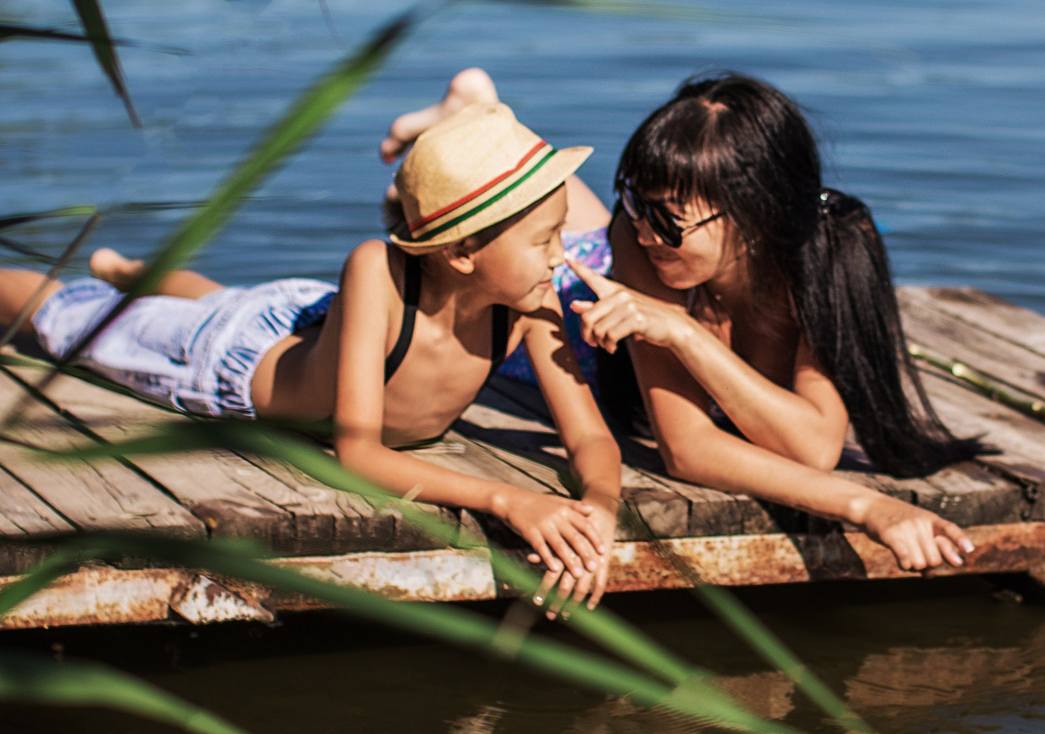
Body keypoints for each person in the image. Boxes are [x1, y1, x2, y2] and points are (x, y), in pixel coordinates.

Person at [0, 101, 621, 608]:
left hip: (302, 316)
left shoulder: (529, 301)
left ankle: (142, 272)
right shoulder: (376, 271)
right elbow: (356, 451)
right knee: (78, 322)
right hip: (232, 359)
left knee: (225, 293)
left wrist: (597, 506)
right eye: (545, 239)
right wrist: (510, 498)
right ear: (461, 252)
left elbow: (589, 437)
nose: (562, 258)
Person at [384, 70, 983, 574]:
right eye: (637, 203)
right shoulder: (642, 240)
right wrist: (867, 507)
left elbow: (813, 446)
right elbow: (687, 449)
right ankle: (473, 121)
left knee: (582, 237)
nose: (646, 231)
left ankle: (477, 110)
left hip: (636, 286)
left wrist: (682, 331)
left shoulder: (831, 252)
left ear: (757, 215)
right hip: (581, 312)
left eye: (669, 219)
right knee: (517, 253)